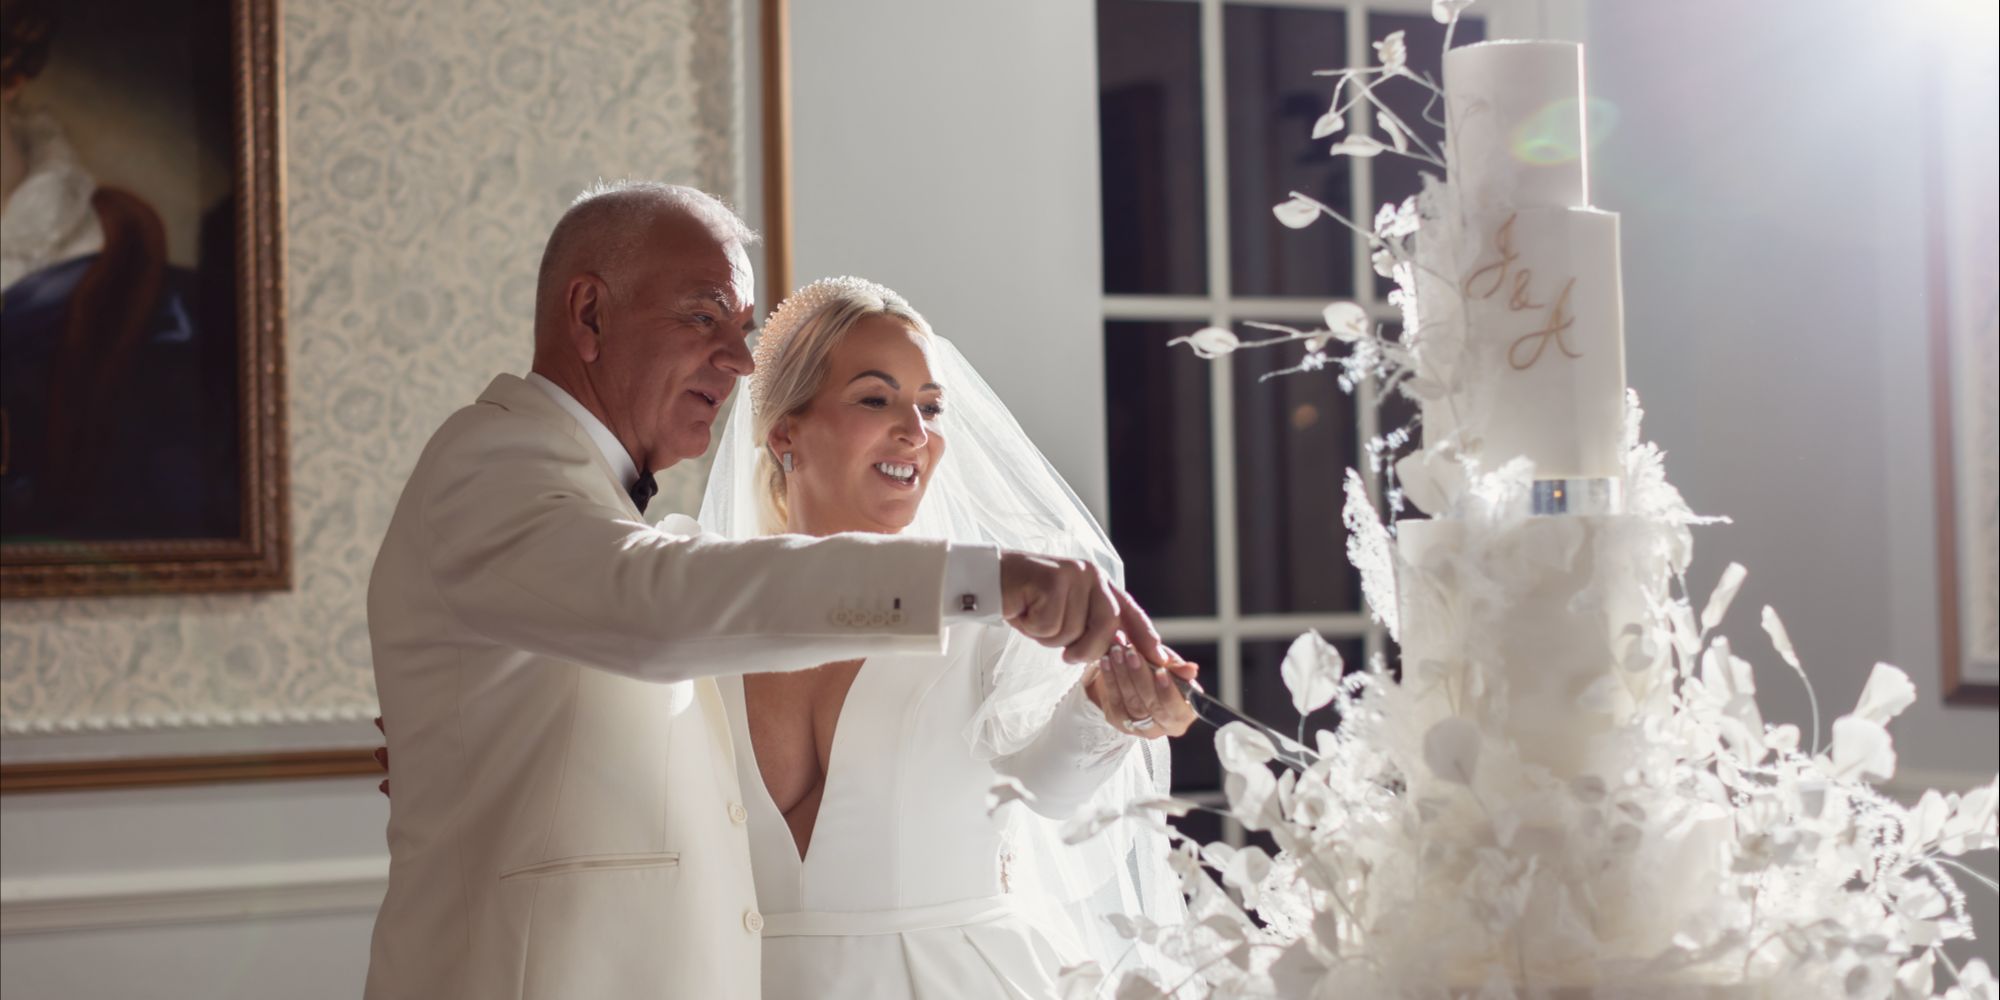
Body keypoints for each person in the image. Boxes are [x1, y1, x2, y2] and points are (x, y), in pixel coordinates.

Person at [361, 182, 1170, 1000]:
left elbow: (1029, 798)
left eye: (744, 329)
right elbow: (653, 607)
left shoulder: (647, 550)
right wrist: (980, 577)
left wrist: (1109, 715)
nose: (741, 359)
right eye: (705, 316)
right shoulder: (504, 470)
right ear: (591, 314)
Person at [699, 276, 1195, 999]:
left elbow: (1037, 800)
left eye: (930, 408)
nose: (917, 432)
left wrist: (1107, 714)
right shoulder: (709, 613)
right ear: (785, 431)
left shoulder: (990, 604)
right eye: (876, 398)